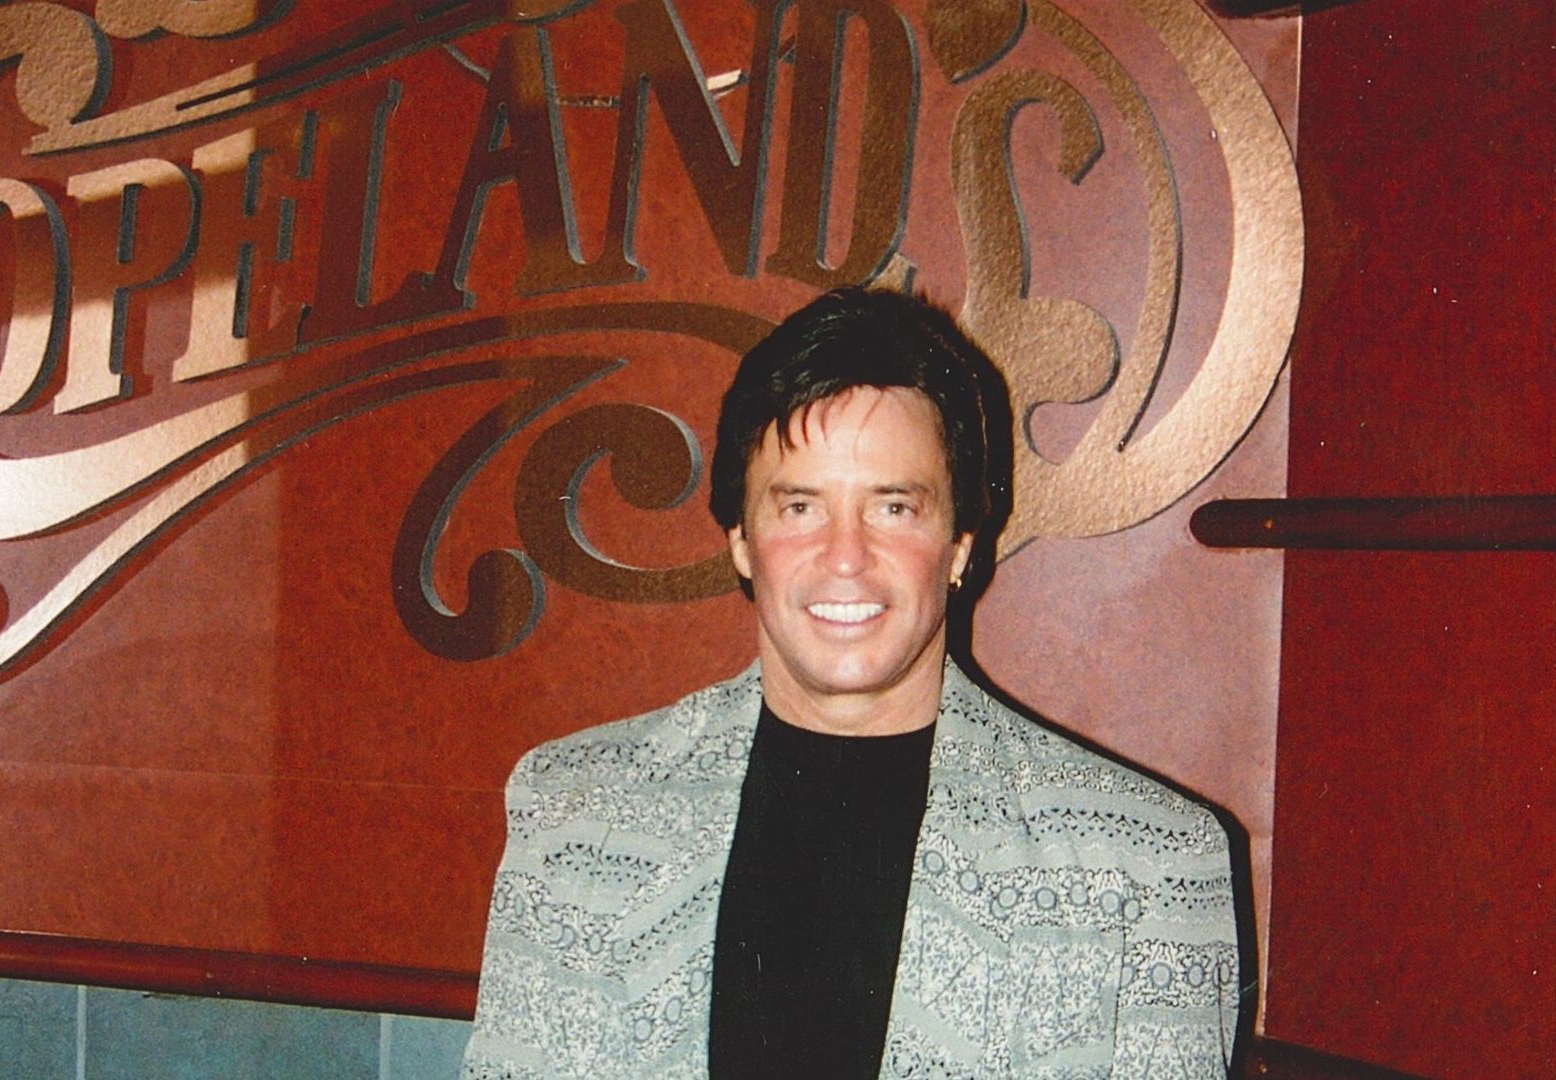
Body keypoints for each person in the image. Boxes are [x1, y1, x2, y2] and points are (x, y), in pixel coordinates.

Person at [462, 288, 1241, 1078]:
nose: (844, 556)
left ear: (961, 543)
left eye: (893, 507)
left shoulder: (1147, 867)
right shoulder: (577, 817)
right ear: (740, 540)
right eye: (800, 506)